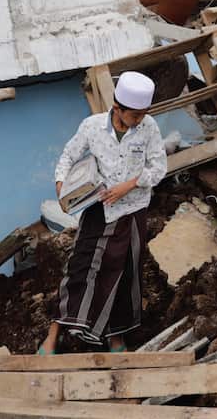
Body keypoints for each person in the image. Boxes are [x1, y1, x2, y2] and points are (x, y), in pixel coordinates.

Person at [39, 71, 166, 354]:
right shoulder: (92, 127)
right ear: (117, 108)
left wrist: (128, 186)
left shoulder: (149, 128)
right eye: (134, 115)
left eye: (144, 114)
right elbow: (68, 156)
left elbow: (159, 168)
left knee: (124, 273)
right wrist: (62, 184)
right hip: (98, 210)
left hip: (132, 210)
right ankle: (54, 334)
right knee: (80, 267)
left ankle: (116, 338)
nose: (140, 120)